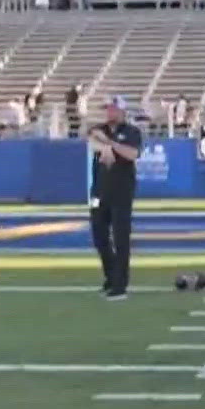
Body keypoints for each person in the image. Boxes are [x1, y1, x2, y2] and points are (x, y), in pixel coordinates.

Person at [87, 96, 143, 299]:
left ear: (122, 111)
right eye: (107, 109)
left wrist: (110, 145)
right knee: (99, 236)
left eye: (113, 109)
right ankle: (110, 277)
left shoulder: (132, 132)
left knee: (121, 238)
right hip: (99, 190)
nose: (109, 113)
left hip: (122, 191)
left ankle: (120, 284)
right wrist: (107, 147)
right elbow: (94, 141)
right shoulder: (98, 128)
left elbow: (132, 154)